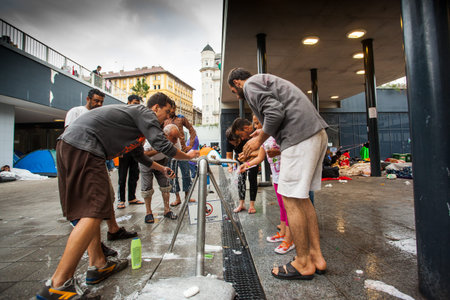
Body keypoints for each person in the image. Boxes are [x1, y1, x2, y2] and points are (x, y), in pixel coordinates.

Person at [37, 92, 198, 299]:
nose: (167, 119)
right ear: (156, 108)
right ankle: (58, 284)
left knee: (93, 209)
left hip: (73, 145)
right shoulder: (144, 113)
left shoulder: (136, 125)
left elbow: (139, 155)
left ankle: (98, 264)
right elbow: (163, 145)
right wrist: (188, 156)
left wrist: (161, 168)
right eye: (166, 113)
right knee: (94, 211)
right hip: (86, 148)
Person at [227, 68, 328, 280]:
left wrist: (258, 139)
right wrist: (262, 130)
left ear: (237, 82)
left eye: (233, 90)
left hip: (298, 137)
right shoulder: (266, 81)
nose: (236, 94)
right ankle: (316, 257)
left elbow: (275, 113)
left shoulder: (251, 84)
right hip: (314, 133)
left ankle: (302, 263)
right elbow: (279, 111)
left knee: (290, 198)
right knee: (302, 200)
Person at [65, 88, 137, 258]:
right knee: (91, 204)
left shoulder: (100, 115)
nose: (98, 104)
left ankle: (113, 229)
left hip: (98, 159)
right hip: (81, 159)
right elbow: (69, 135)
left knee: (106, 196)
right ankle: (94, 245)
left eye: (101, 102)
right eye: (96, 101)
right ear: (88, 98)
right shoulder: (76, 112)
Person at [239, 115, 295, 254]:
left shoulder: (278, 132)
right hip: (276, 175)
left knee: (288, 207)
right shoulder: (263, 139)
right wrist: (246, 165)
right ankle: (282, 232)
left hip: (287, 173)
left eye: (258, 123)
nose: (256, 126)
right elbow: (260, 157)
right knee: (282, 205)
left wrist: (278, 151)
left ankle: (290, 239)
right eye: (255, 123)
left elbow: (292, 148)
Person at [140, 124, 181, 224]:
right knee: (147, 187)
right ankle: (148, 212)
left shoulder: (176, 141)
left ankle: (167, 210)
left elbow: (177, 154)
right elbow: (143, 154)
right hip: (147, 162)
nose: (175, 141)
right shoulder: (153, 139)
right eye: (173, 138)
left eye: (177, 138)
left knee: (165, 185)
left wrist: (172, 170)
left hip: (162, 161)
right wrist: (158, 150)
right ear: (166, 135)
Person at [164, 103, 197, 206]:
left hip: (183, 151)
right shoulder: (164, 120)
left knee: (186, 174)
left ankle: (188, 196)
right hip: (170, 152)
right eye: (170, 108)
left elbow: (192, 130)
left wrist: (190, 145)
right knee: (172, 175)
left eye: (173, 108)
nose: (172, 110)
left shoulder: (181, 118)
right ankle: (177, 197)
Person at [117, 95, 145, 209]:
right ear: (128, 102)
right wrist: (119, 149)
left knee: (134, 175)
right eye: (134, 103)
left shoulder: (138, 117)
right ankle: (121, 200)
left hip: (136, 150)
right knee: (122, 176)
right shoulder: (122, 115)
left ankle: (132, 198)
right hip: (124, 150)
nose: (136, 105)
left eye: (138, 103)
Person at [228, 118, 260, 214]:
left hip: (253, 160)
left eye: (241, 136)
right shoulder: (231, 138)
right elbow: (229, 156)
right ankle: (241, 204)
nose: (242, 139)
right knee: (240, 180)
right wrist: (231, 165)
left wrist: (248, 157)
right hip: (242, 160)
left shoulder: (256, 133)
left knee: (252, 178)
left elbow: (261, 153)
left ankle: (251, 205)